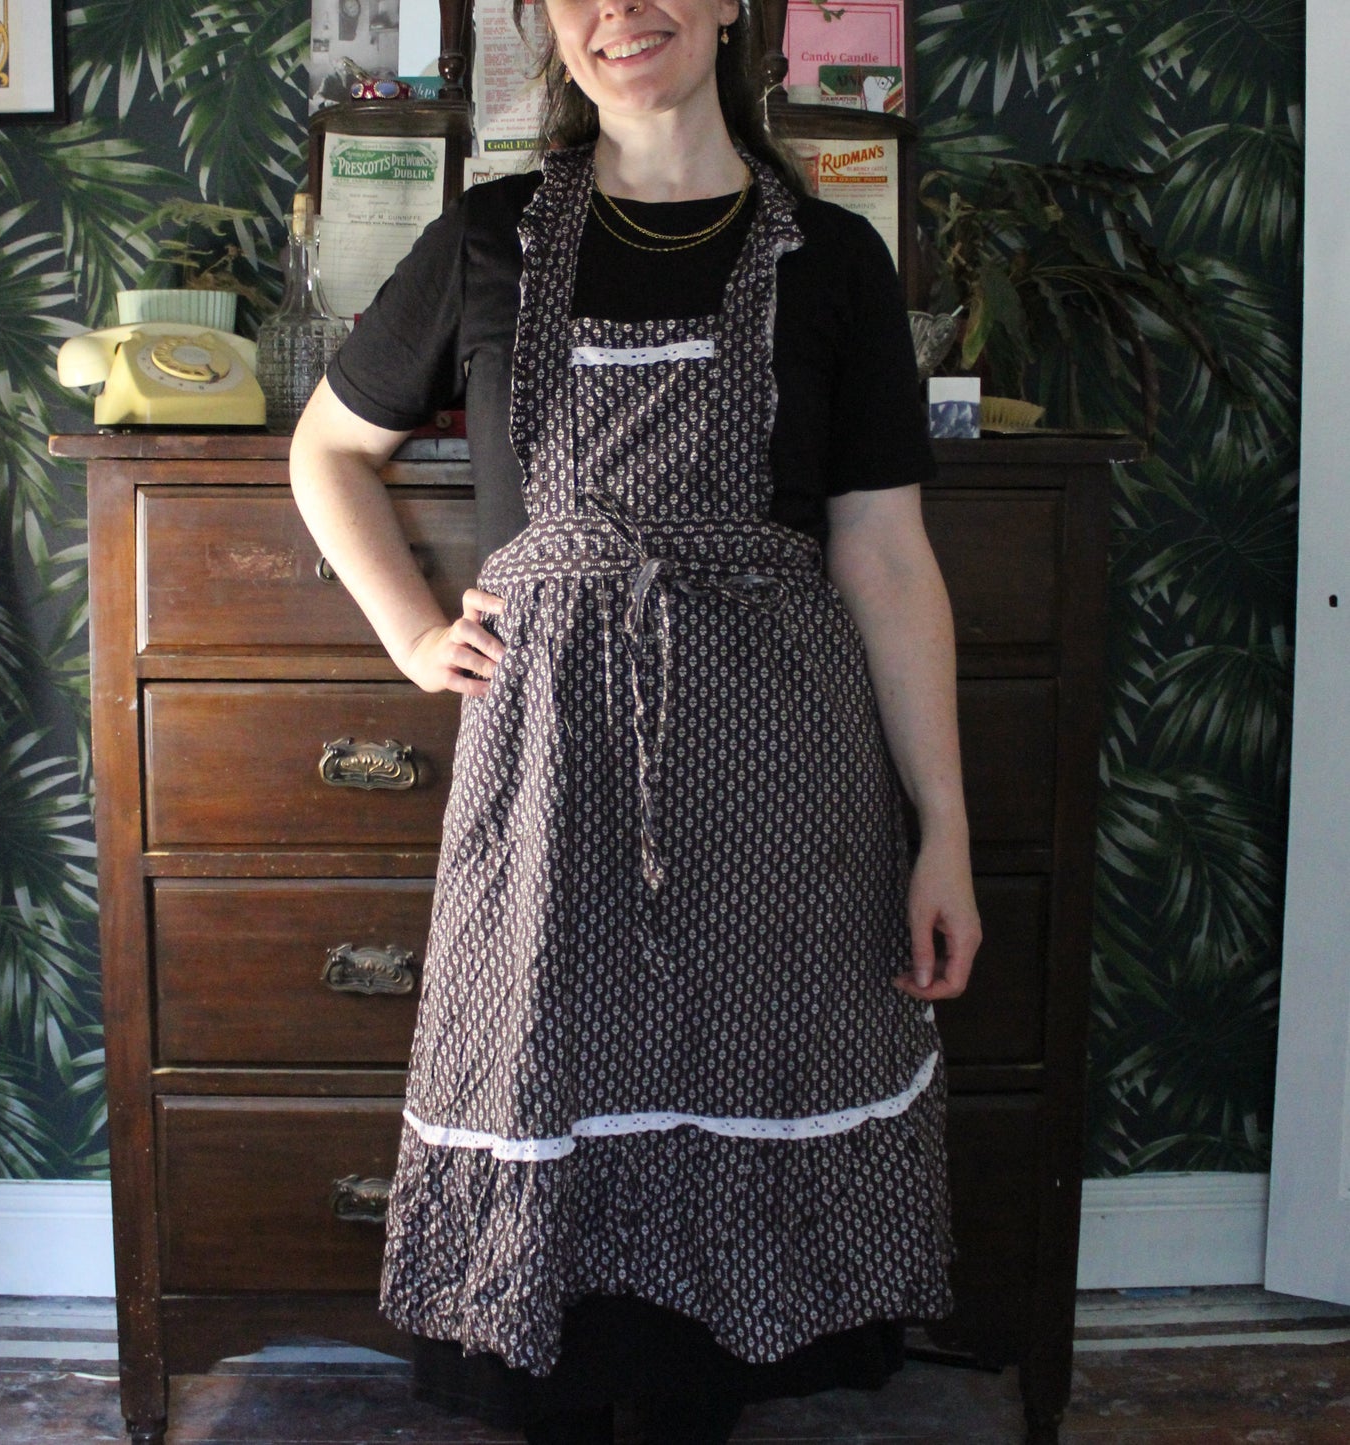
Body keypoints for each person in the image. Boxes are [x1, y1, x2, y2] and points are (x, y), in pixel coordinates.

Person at [288, 0, 981, 1437]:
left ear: (730, 2)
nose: (621, 12)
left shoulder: (831, 257)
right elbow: (329, 451)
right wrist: (414, 631)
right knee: (552, 1065)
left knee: (755, 1061)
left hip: (784, 769)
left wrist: (944, 834)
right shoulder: (488, 239)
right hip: (547, 770)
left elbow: (888, 556)